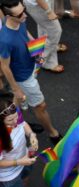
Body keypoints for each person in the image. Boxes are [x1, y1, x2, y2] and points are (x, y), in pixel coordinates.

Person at [0, 0, 61, 144]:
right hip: (23, 77)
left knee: (17, 103)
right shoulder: (5, 40)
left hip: (30, 66)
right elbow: (5, 67)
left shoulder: (19, 21)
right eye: (20, 14)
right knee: (40, 106)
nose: (25, 16)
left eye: (24, 10)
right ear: (9, 17)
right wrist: (16, 89)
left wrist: (35, 48)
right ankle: (53, 134)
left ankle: (14, 123)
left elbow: (25, 32)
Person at [0, 92, 41, 187]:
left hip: (24, 160)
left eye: (15, 116)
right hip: (9, 173)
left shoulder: (13, 112)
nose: (15, 121)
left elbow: (23, 124)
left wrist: (32, 135)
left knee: (24, 183)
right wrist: (19, 162)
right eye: (10, 121)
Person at [23, 0, 66, 73]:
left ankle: (47, 49)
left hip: (40, 3)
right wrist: (48, 11)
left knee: (44, 27)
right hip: (39, 4)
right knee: (55, 31)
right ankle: (41, 58)